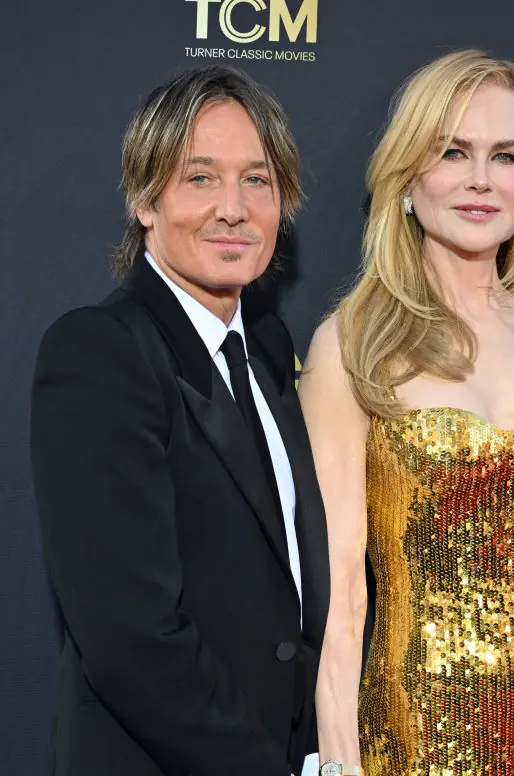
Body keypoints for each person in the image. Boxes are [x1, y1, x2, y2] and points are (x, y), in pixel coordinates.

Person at [299, 50, 514, 776]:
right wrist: (340, 763)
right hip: (416, 738)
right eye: (453, 151)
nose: (481, 178)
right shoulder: (353, 346)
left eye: (505, 155)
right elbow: (339, 593)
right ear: (410, 176)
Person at [31, 66, 328, 776]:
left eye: (257, 180)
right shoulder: (102, 351)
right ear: (144, 198)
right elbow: (132, 638)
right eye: (200, 178)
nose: (233, 208)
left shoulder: (268, 349)